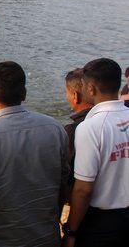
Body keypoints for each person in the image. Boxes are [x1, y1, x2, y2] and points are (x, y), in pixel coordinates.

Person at [0, 61, 69, 247]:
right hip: (47, 237)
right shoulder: (55, 129)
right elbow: (63, 184)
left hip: (2, 241)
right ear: (24, 93)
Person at [63, 58, 129, 247]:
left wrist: (71, 230)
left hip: (103, 222)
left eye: (83, 85)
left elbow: (83, 189)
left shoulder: (90, 128)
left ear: (91, 88)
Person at [62, 68, 92, 224]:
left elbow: (67, 180)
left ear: (75, 96)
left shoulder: (73, 131)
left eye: (67, 93)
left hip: (80, 211)